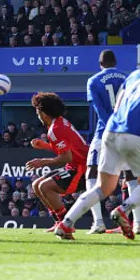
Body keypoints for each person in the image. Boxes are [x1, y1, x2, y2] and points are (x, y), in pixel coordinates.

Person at [55, 39, 140, 240]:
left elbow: (119, 104)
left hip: (110, 132)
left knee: (102, 187)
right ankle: (124, 210)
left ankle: (66, 223)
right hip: (135, 135)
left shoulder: (134, 75)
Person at [25, 92, 88, 232]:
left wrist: (42, 161)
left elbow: (67, 157)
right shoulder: (59, 122)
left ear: (44, 113)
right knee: (36, 185)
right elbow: (67, 150)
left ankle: (67, 225)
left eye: (37, 112)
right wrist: (45, 146)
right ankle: (58, 222)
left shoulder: (55, 130)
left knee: (45, 187)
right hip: (74, 165)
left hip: (82, 169)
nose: (37, 115)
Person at [84, 49, 126, 234]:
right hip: (126, 132)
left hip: (105, 133)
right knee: (130, 175)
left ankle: (98, 222)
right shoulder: (127, 78)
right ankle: (137, 223)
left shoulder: (93, 80)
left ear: (100, 64)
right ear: (115, 62)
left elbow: (100, 110)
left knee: (91, 173)